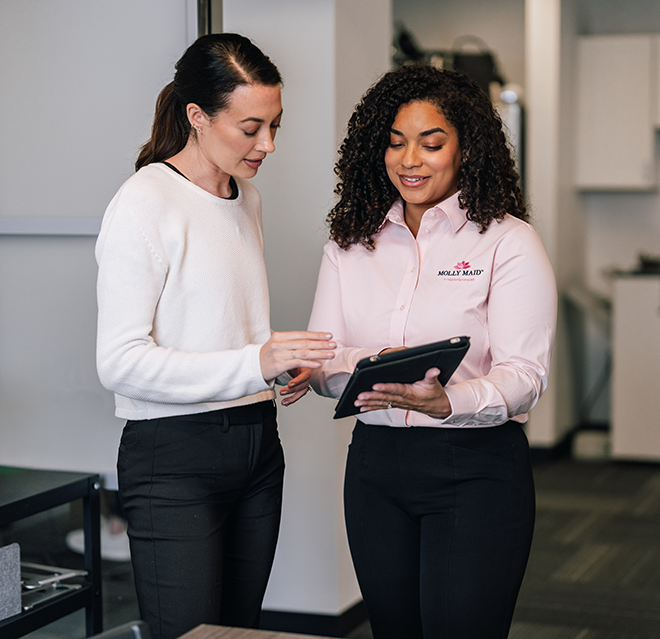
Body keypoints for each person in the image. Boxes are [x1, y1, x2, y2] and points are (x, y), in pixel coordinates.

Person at [95, 33, 335, 639]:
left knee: (239, 632)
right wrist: (257, 358)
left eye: (275, 125)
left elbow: (221, 331)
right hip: (174, 458)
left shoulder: (245, 198)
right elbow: (120, 364)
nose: (268, 145)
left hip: (257, 444)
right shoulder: (143, 202)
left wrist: (276, 363)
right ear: (196, 116)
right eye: (251, 127)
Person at [308, 64, 557, 639]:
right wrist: (337, 369)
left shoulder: (507, 241)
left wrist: (448, 401)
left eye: (431, 142)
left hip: (475, 470)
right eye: (394, 143)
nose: (409, 160)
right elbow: (325, 361)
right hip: (375, 467)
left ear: (466, 148)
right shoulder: (350, 243)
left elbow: (526, 373)